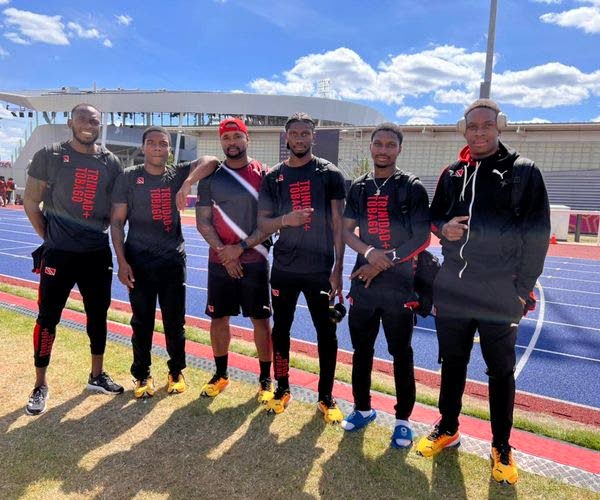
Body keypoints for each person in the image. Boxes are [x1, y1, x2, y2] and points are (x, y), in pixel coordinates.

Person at [415, 99, 550, 485]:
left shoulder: (523, 172)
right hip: (454, 288)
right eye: (472, 126)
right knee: (452, 364)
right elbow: (434, 217)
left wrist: (521, 291)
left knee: (500, 371)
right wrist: (444, 229)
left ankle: (501, 445)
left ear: (499, 126)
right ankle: (448, 427)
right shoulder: (453, 173)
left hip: (500, 292)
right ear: (463, 129)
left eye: (486, 125)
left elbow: (537, 237)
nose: (479, 132)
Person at [23, 103, 124, 416]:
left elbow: (114, 207)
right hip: (59, 254)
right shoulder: (49, 155)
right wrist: (50, 238)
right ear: (70, 122)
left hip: (96, 254)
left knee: (98, 315)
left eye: (94, 120)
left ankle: (96, 375)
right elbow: (30, 200)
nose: (88, 125)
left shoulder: (110, 161)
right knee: (48, 317)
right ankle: (40, 384)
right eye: (82, 119)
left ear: (100, 125)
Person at [341, 123, 430, 448]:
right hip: (363, 284)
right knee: (361, 352)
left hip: (399, 288)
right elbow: (346, 230)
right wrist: (369, 253)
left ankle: (403, 420)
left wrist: (383, 259)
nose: (382, 149)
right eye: (378, 144)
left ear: (399, 149)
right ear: (371, 147)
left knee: (400, 354)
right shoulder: (360, 187)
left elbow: (422, 236)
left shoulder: (412, 187)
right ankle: (362, 408)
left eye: (389, 145)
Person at [257, 112, 346, 423]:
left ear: (313, 137)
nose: (299, 139)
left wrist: (337, 269)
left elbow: (338, 224)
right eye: (293, 134)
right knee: (281, 330)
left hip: (320, 269)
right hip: (283, 268)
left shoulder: (329, 173)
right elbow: (263, 224)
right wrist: (286, 220)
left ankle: (325, 396)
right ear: (286, 138)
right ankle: (282, 387)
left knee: (327, 333)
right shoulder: (274, 177)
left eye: (304, 133)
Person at [111, 126, 205, 398]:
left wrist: (188, 183)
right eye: (151, 143)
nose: (157, 148)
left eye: (162, 144)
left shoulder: (177, 173)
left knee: (175, 322)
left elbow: (209, 160)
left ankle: (176, 371)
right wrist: (122, 261)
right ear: (143, 148)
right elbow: (117, 222)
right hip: (138, 262)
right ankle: (142, 375)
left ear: (168, 149)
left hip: (172, 262)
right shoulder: (128, 177)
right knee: (141, 322)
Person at [191, 118, 274, 403]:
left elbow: (269, 222)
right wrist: (225, 255)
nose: (232, 143)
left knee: (260, 321)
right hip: (220, 262)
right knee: (218, 318)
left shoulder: (264, 174)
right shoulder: (210, 177)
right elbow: (202, 221)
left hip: (255, 260)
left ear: (247, 139)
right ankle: (221, 374)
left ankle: (265, 380)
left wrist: (238, 249)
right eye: (226, 138)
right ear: (221, 142)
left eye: (237, 137)